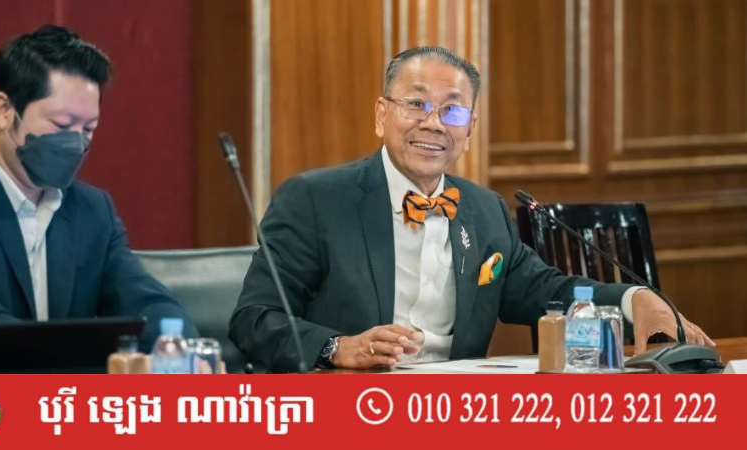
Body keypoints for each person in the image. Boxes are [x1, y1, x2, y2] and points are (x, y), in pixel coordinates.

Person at [229, 46, 714, 373]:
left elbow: (544, 290)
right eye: (416, 104)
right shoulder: (314, 199)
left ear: (469, 128)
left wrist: (634, 299)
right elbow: (253, 319)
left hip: (456, 412)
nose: (434, 124)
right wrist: (339, 347)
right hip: (349, 409)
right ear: (381, 115)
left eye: (453, 110)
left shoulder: (484, 210)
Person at [0, 25, 196, 372]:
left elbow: (144, 301)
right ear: (4, 110)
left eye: (88, 129)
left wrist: (182, 351)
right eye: (62, 125)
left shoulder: (94, 211)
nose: (77, 143)